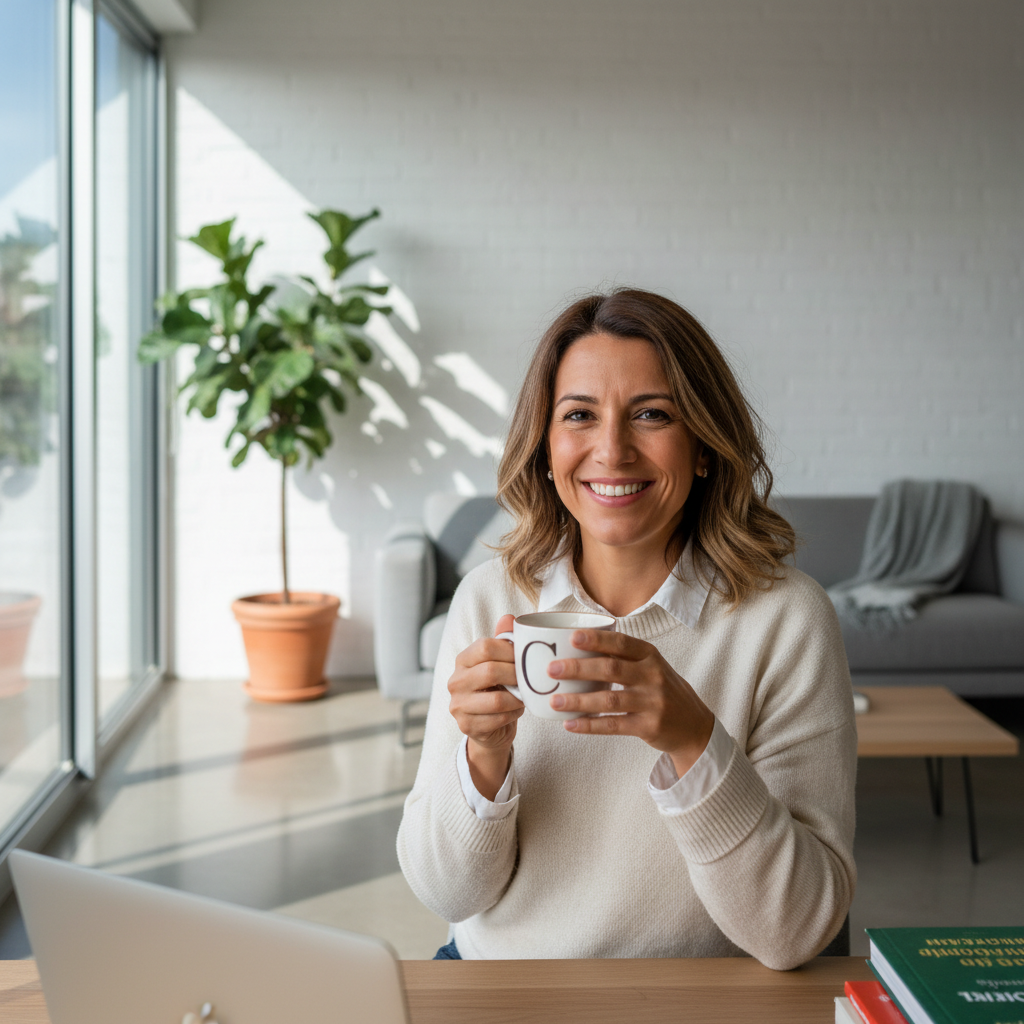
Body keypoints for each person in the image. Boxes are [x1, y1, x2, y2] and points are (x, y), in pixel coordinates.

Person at [396, 289, 856, 969]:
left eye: (652, 415)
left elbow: (795, 933)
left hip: (700, 1002)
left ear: (703, 446)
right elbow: (446, 894)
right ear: (546, 450)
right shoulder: (489, 601)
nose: (611, 450)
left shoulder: (787, 619)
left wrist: (696, 742)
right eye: (579, 415)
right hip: (504, 990)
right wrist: (482, 763)